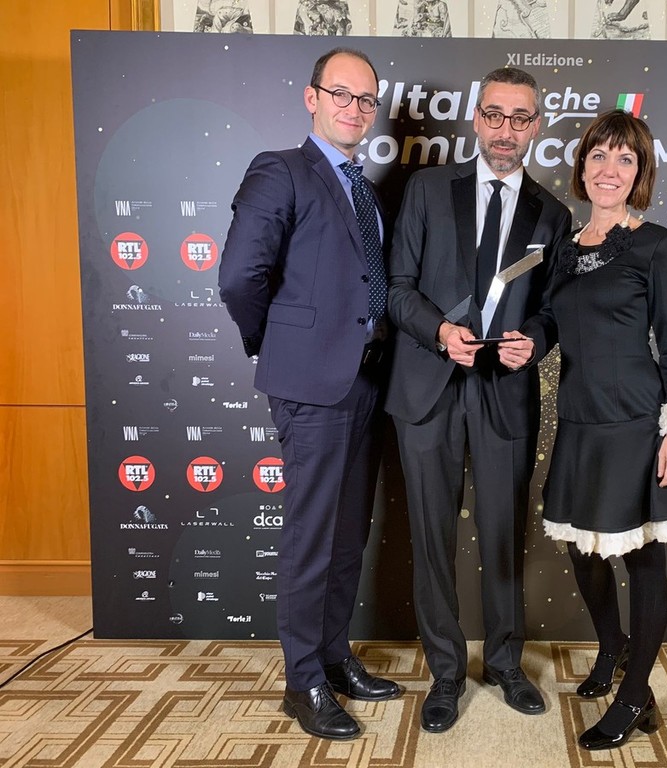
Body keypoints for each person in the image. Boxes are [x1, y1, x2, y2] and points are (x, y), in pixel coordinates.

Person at [218, 47, 401, 741]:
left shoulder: (366, 189)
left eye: (366, 99)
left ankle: (333, 656)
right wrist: (276, 343)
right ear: (312, 97)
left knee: (348, 532)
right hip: (311, 385)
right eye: (342, 94)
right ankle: (303, 681)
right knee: (311, 535)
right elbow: (240, 277)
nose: (355, 108)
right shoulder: (280, 170)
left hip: (367, 380)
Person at [386, 67, 571, 733]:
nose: (505, 130)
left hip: (504, 394)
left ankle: (505, 663)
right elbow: (397, 287)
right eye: (495, 115)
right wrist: (440, 332)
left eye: (520, 118)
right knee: (431, 536)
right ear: (476, 118)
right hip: (427, 389)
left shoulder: (552, 214)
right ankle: (444, 672)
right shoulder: (429, 190)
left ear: (536, 127)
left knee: (503, 533)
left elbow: (552, 310)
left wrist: (536, 342)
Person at [542, 109, 667, 750]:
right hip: (578, 420)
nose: (609, 169)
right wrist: (523, 343)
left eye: (625, 159)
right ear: (581, 166)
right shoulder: (562, 248)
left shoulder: (656, 244)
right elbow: (552, 324)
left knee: (642, 559)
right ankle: (612, 646)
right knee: (582, 551)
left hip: (638, 423)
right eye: (598, 156)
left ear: (639, 174)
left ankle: (636, 695)